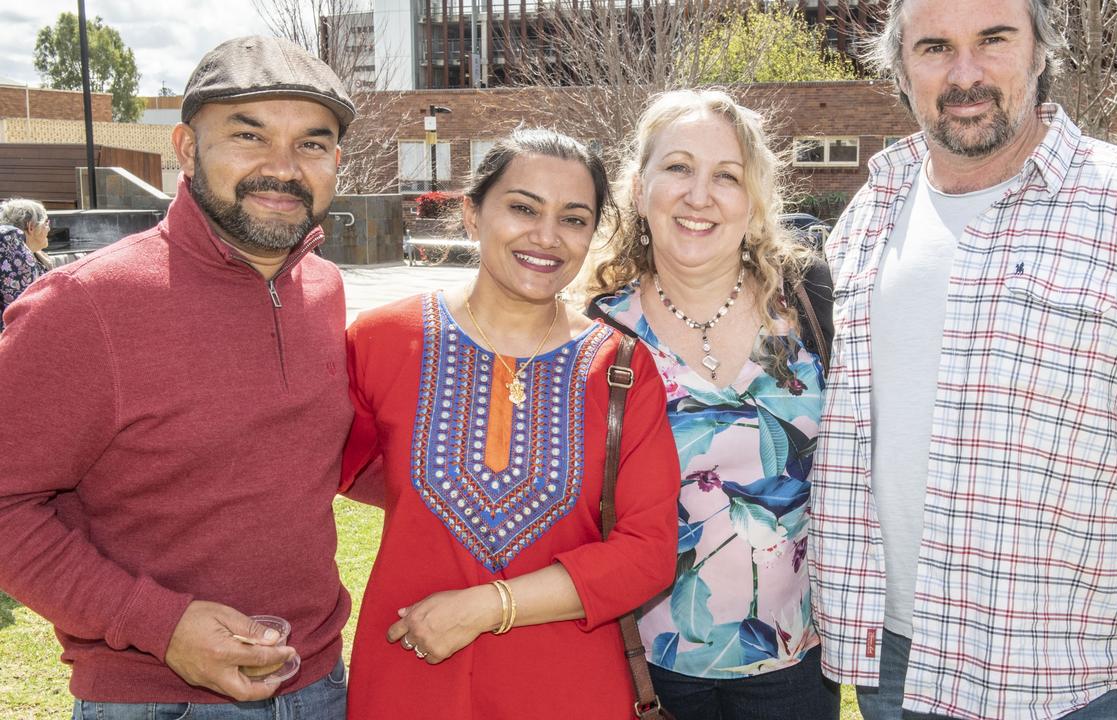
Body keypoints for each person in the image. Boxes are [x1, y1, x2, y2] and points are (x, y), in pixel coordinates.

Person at [809, 0, 1117, 718]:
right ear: (900, 68)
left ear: (1039, 51)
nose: (965, 73)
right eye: (935, 47)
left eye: (993, 40)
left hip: (1060, 675)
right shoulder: (872, 211)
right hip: (891, 659)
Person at [0, 36, 357, 717]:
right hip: (153, 700)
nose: (282, 168)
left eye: (311, 144)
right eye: (248, 137)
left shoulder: (327, 290)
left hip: (317, 684)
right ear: (188, 151)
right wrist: (159, 626)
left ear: (335, 162)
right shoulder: (85, 305)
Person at [341, 128, 681, 719]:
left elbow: (648, 554)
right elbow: (327, 471)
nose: (546, 237)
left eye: (574, 219)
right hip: (411, 678)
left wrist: (486, 605)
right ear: (471, 214)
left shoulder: (620, 368)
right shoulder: (380, 342)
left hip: (568, 689)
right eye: (523, 208)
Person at [588, 89, 839, 719]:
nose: (699, 195)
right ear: (639, 188)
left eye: (726, 175)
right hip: (647, 669)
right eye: (677, 168)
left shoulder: (811, 302)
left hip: (799, 663)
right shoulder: (596, 332)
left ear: (753, 202)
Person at [0, 197, 53, 332]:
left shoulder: (36, 257)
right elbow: (23, 309)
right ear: (30, 227)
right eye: (47, 222)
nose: (50, 228)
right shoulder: (10, 243)